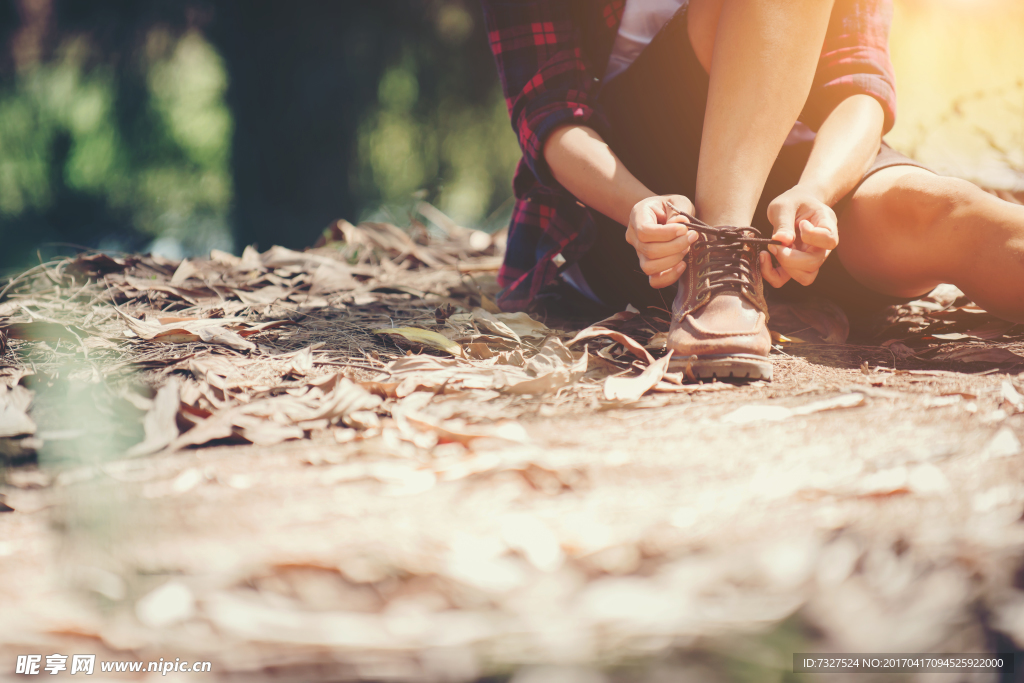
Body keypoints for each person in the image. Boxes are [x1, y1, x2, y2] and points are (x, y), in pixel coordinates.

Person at [481, 0, 1024, 381]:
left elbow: (858, 81)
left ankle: (763, 282)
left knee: (939, 213)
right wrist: (637, 207)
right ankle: (720, 272)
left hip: (793, 165)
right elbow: (550, 113)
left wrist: (816, 190)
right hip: (630, 205)